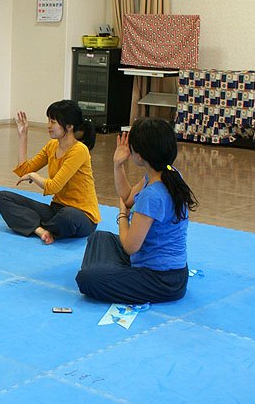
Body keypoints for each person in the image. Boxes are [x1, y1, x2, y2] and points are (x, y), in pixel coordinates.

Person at [75, 118, 198, 304]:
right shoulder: (168, 172)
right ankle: (112, 271)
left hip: (163, 280)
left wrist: (122, 215)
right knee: (99, 238)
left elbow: (130, 246)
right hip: (167, 269)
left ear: (140, 156)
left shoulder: (152, 195)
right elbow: (127, 197)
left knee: (86, 279)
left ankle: (110, 272)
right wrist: (118, 164)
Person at [0, 100, 100, 245]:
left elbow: (53, 187)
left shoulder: (79, 150)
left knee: (67, 216)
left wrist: (34, 176)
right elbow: (24, 170)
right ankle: (40, 230)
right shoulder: (52, 146)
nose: (48, 126)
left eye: (53, 122)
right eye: (48, 120)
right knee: (3, 197)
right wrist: (23, 136)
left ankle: (31, 223)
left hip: (82, 216)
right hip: (57, 210)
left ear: (69, 126)